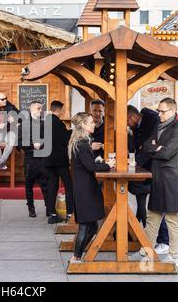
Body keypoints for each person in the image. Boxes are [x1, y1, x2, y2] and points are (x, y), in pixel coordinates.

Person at [137, 98, 178, 268]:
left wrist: (156, 148)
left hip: (173, 179)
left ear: (173, 111)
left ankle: (173, 256)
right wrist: (155, 148)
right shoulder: (159, 126)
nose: (159, 114)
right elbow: (146, 145)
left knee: (172, 219)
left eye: (163, 111)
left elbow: (166, 154)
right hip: (159, 178)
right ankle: (146, 251)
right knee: (152, 217)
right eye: (158, 111)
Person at [68, 112, 115, 263]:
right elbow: (90, 166)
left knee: (93, 226)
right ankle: (76, 257)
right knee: (85, 226)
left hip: (85, 187)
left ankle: (78, 254)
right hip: (85, 189)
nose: (93, 124)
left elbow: (87, 163)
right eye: (90, 122)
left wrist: (98, 161)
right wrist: (108, 165)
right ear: (82, 125)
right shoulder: (81, 143)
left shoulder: (81, 142)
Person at [127, 105, 170, 255]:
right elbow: (143, 146)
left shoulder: (152, 121)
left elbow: (148, 147)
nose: (126, 125)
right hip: (147, 169)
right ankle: (145, 236)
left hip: (157, 170)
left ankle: (163, 241)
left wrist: (138, 159)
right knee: (144, 204)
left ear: (132, 117)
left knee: (156, 207)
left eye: (163, 112)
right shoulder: (140, 125)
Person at [43, 101, 74, 224]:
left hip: (48, 159)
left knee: (52, 186)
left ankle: (52, 214)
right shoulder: (58, 123)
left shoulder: (44, 122)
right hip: (60, 160)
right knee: (68, 185)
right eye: (62, 110)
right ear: (59, 110)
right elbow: (65, 139)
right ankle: (69, 213)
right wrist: (71, 131)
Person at [18, 101, 49, 218]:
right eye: (38, 109)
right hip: (30, 159)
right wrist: (32, 145)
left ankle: (49, 208)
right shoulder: (23, 125)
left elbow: (49, 140)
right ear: (31, 110)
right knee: (29, 185)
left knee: (45, 185)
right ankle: (31, 208)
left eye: (41, 109)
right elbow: (20, 142)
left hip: (42, 158)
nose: (40, 111)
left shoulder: (44, 124)